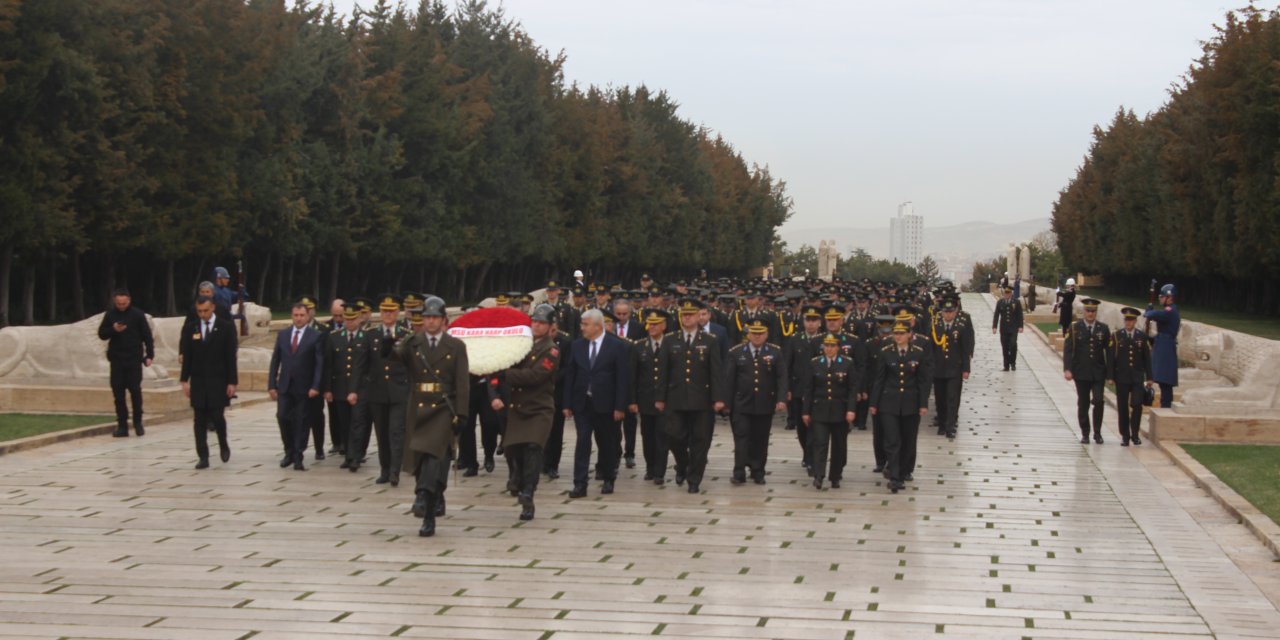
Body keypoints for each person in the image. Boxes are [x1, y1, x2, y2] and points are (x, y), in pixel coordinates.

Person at [396, 296, 469, 537]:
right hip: (418, 407)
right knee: (420, 459)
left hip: (443, 408)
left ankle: (423, 501)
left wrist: (462, 413)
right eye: (427, 317)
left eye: (435, 317)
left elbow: (462, 382)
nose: (430, 322)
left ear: (444, 320)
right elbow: (396, 359)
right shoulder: (413, 343)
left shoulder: (456, 346)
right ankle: (431, 497)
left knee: (435, 456)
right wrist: (391, 346)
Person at [488, 304, 560, 521]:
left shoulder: (551, 350)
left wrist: (506, 374)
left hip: (538, 408)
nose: (536, 325)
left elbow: (536, 376)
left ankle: (528, 492)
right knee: (512, 450)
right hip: (518, 408)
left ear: (550, 326)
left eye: (542, 323)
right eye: (534, 321)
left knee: (533, 448)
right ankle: (517, 478)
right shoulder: (522, 344)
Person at [655, 299, 726, 493]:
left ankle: (694, 479)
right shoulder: (670, 339)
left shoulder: (710, 340)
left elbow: (716, 371)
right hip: (675, 397)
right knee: (674, 436)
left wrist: (718, 398)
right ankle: (683, 463)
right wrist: (660, 397)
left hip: (701, 398)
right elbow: (663, 371)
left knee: (701, 440)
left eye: (690, 314)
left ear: (698, 317)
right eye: (684, 315)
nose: (686, 318)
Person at [562, 308, 632, 498]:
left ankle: (609, 477)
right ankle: (580, 483)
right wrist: (567, 403)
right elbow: (570, 375)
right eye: (581, 324)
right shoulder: (577, 346)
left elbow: (622, 379)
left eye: (585, 324)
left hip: (606, 404)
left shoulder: (616, 346)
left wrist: (620, 406)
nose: (582, 328)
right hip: (583, 403)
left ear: (597, 326)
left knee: (607, 442)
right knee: (582, 442)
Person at [870, 319, 932, 493]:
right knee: (892, 440)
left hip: (911, 403)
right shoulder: (886, 353)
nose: (898, 337)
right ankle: (894, 477)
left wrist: (923, 403)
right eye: (896, 334)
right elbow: (879, 379)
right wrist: (874, 403)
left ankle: (903, 472)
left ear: (909, 335)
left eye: (902, 334)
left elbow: (923, 381)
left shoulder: (918, 353)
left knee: (908, 441)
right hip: (889, 402)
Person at [724, 318, 787, 485]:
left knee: (761, 439)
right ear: (748, 334)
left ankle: (758, 470)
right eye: (754, 333)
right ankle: (739, 472)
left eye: (760, 333)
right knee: (741, 438)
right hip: (741, 403)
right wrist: (727, 404)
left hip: (764, 403)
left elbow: (781, 377)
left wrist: (781, 399)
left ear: (766, 334)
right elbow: (729, 380)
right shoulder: (736, 352)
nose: (757, 336)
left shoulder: (775, 352)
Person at [179, 296, 238, 469]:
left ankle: (223, 443)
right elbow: (187, 355)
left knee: (217, 416)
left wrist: (232, 382)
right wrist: (184, 380)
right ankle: (203, 456)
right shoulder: (191, 328)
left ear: (212, 308)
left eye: (205, 310)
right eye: (199, 311)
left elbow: (230, 357)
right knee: (199, 419)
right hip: (198, 380)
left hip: (218, 380)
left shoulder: (225, 327)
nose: (203, 314)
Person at [268, 302, 325, 470]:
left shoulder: (315, 336)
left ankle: (298, 455)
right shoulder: (283, 335)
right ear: (292, 316)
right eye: (296, 315)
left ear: (307, 316)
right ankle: (289, 451)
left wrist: (316, 386)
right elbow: (275, 360)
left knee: (301, 421)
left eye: (302, 315)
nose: (299, 318)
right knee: (282, 417)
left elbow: (319, 364)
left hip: (304, 387)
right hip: (285, 385)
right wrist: (272, 385)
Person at [364, 294, 411, 485]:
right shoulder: (371, 334)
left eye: (391, 311)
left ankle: (394, 471)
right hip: (378, 392)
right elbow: (363, 364)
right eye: (385, 311)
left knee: (396, 432)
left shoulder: (406, 335)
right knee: (382, 433)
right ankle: (384, 469)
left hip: (399, 391)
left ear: (398, 312)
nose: (388, 314)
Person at [802, 333, 857, 489]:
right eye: (826, 345)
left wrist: (851, 410)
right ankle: (819, 475)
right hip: (819, 409)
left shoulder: (847, 363)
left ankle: (835, 475)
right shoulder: (815, 363)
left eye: (832, 346)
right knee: (820, 443)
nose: (829, 349)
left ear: (838, 347)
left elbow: (852, 389)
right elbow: (809, 389)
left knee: (839, 445)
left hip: (840, 410)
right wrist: (806, 411)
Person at [97, 288, 155, 437]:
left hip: (134, 359)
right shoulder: (110, 315)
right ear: (115, 302)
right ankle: (122, 425)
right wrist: (113, 329)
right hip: (117, 359)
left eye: (124, 303)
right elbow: (102, 334)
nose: (121, 306)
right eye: (119, 304)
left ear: (129, 301)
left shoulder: (138, 314)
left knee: (135, 390)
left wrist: (149, 355)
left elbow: (147, 336)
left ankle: (138, 422)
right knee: (118, 393)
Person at [323, 304, 368, 473]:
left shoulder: (366, 337)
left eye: (353, 319)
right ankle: (348, 455)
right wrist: (327, 388)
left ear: (359, 318)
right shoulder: (334, 337)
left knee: (358, 422)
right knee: (344, 423)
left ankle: (356, 456)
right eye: (347, 319)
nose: (349, 322)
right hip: (340, 387)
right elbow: (329, 365)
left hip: (360, 388)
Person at [629, 309, 670, 483]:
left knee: (662, 437)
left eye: (655, 324)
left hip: (665, 400)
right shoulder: (639, 346)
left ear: (664, 325)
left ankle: (660, 471)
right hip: (645, 399)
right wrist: (632, 401)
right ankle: (650, 468)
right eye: (649, 324)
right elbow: (632, 376)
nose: (651, 327)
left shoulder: (670, 344)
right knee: (647, 436)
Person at [1063, 298, 1111, 444]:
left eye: (1093, 311)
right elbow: (1068, 349)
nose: (1090, 314)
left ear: (1096, 312)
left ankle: (1097, 432)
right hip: (1081, 372)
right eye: (1088, 311)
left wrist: (1110, 374)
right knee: (1083, 404)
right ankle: (1085, 433)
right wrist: (1067, 369)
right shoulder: (1074, 327)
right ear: (1084, 311)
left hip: (1098, 372)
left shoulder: (1103, 328)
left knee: (1098, 400)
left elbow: (1109, 352)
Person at [930, 296, 973, 439]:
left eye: (951, 312)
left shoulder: (960, 326)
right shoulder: (935, 326)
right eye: (945, 312)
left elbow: (965, 349)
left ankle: (950, 426)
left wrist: (966, 368)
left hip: (955, 368)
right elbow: (930, 348)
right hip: (938, 368)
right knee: (940, 399)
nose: (948, 315)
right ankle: (942, 425)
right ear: (942, 312)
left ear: (955, 312)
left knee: (952, 398)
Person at [1110, 307, 1153, 446]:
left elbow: (1147, 358)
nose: (1128, 322)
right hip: (1121, 377)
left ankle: (1135, 434)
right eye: (1126, 320)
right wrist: (1111, 376)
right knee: (1122, 407)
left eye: (1131, 320)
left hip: (1137, 377)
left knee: (1137, 405)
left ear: (1135, 321)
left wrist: (1149, 377)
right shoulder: (1117, 336)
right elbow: (1111, 358)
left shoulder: (1141, 336)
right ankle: (1125, 435)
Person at [1143, 283, 1180, 409]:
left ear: (1170, 298)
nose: (1160, 298)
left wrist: (1149, 311)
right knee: (1163, 382)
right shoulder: (1169, 310)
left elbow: (1153, 315)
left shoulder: (1170, 311)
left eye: (1162, 296)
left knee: (1165, 381)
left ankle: (1166, 407)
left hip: (1166, 348)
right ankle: (1165, 405)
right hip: (1163, 344)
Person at [991, 285, 1024, 371]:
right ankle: (1006, 365)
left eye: (1008, 293)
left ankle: (1013, 363)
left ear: (1011, 293)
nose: (1006, 294)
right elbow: (996, 315)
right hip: (1004, 328)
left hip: (1013, 328)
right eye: (1005, 293)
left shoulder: (1016, 302)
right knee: (1005, 346)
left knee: (1013, 344)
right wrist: (994, 326)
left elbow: (1020, 315)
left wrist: (1021, 326)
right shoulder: (1000, 302)